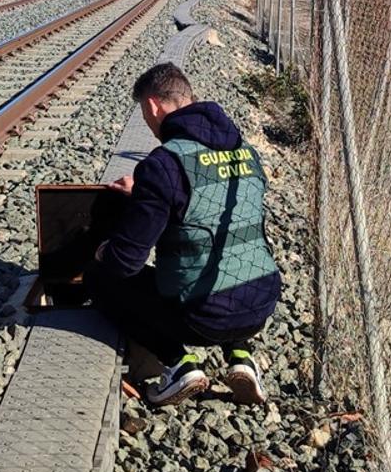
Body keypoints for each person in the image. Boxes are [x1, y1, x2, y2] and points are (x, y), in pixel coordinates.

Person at [87, 63, 282, 406]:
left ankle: (178, 363)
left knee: (103, 278)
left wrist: (101, 251)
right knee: (229, 258)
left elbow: (127, 261)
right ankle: (241, 357)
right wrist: (147, 192)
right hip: (261, 306)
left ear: (152, 106)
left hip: (202, 319)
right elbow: (208, 199)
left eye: (146, 118)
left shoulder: (164, 164)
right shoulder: (246, 152)